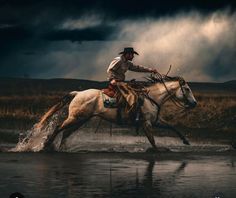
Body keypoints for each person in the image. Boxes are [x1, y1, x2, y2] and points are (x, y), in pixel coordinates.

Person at [105, 47, 158, 122]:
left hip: (121, 81)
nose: (133, 56)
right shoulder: (118, 60)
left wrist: (150, 70)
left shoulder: (127, 63)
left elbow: (137, 68)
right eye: (132, 55)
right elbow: (110, 70)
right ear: (127, 54)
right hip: (115, 81)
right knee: (129, 95)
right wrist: (112, 79)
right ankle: (127, 113)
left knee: (135, 92)